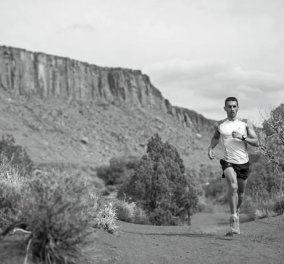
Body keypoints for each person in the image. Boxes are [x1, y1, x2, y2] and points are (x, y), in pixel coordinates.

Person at [208, 97, 259, 235]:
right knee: (233, 187)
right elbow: (216, 138)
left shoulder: (245, 123)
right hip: (228, 161)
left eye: (234, 106)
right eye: (229, 106)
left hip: (243, 162)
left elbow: (256, 142)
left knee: (241, 194)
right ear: (224, 108)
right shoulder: (220, 125)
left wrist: (242, 137)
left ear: (238, 108)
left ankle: (236, 210)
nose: (232, 109)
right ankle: (233, 217)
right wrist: (211, 148)